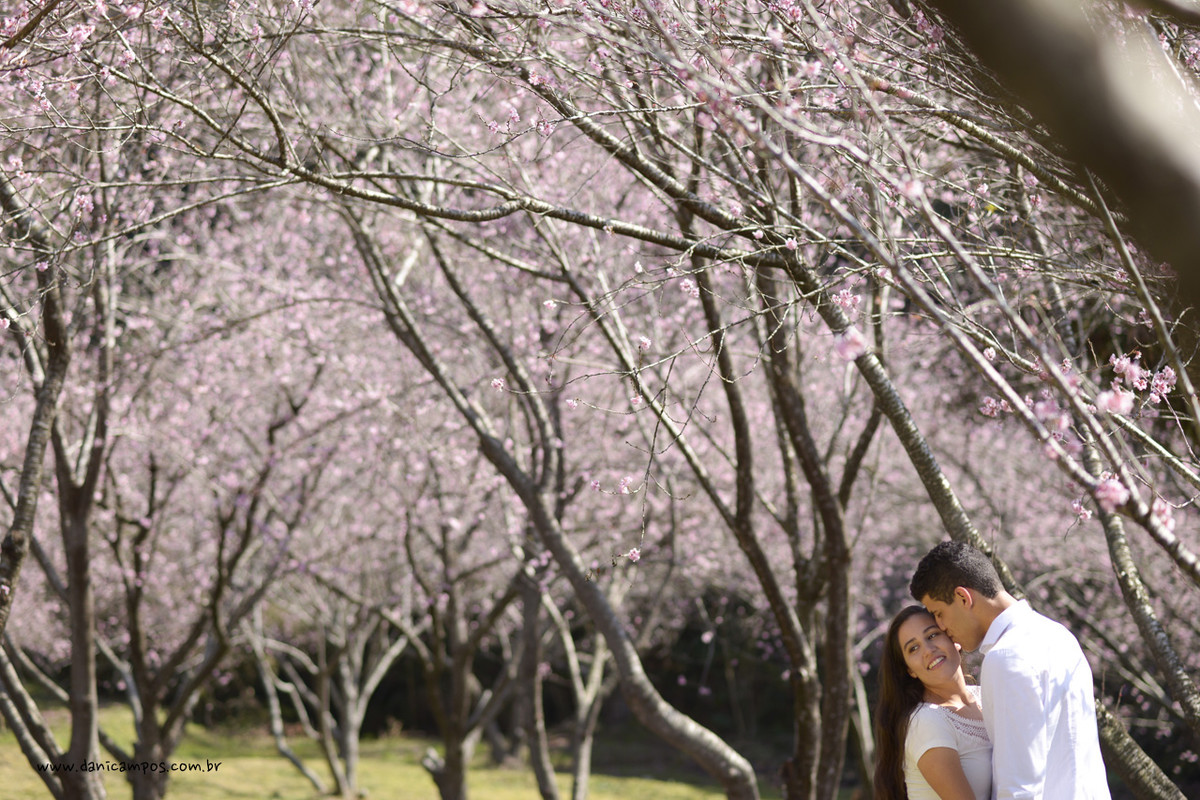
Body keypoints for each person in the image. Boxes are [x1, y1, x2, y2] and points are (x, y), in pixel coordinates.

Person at [909, 540, 1111, 800]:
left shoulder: (1006, 657)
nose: (941, 626)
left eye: (939, 613)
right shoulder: (1059, 635)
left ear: (962, 597)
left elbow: (1018, 788)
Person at [874, 605, 992, 800]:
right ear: (910, 670)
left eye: (932, 636)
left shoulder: (987, 696)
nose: (928, 650)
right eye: (913, 648)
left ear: (952, 637)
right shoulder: (926, 721)